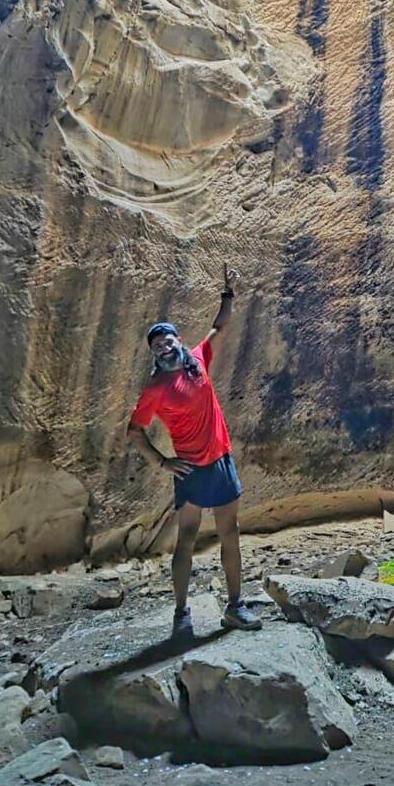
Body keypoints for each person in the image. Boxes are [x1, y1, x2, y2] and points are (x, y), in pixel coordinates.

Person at [126, 265, 262, 632]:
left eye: (167, 340)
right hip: (190, 469)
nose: (164, 346)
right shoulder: (156, 387)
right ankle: (181, 613)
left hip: (221, 460)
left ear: (177, 340)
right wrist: (162, 462)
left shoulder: (197, 359)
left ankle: (235, 606)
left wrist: (228, 293)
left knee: (230, 532)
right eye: (157, 345)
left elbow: (220, 328)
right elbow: (134, 431)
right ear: (154, 354)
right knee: (187, 538)